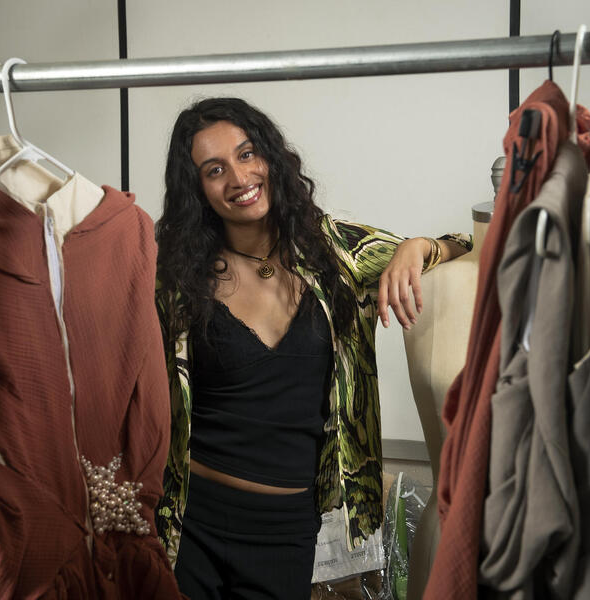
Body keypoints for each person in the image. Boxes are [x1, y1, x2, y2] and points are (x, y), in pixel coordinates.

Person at [154, 97, 471, 599]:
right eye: (215, 170)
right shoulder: (175, 274)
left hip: (287, 528)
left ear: (271, 158)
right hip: (194, 523)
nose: (238, 178)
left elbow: (467, 242)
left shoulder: (331, 251)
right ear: (197, 188)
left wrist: (414, 247)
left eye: (247, 153)